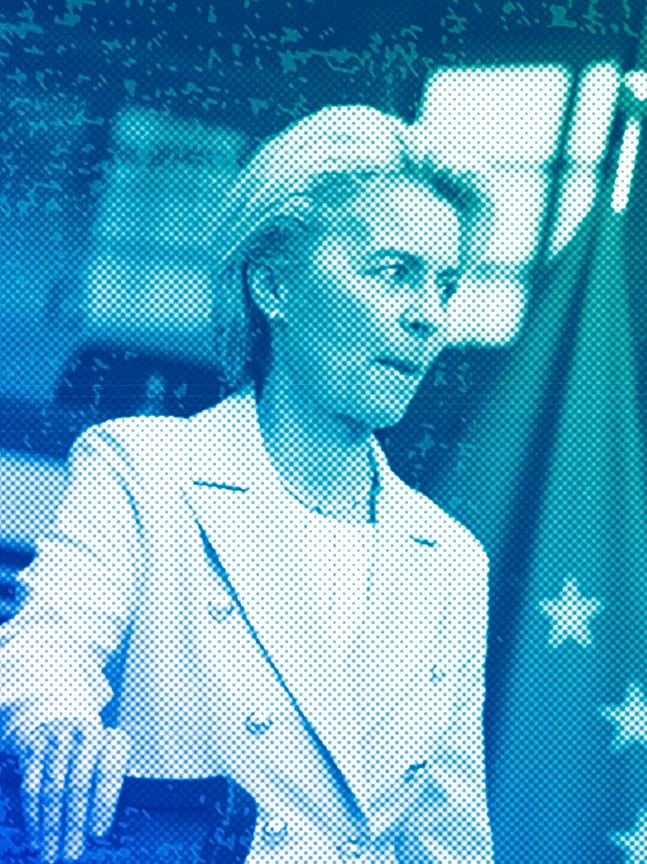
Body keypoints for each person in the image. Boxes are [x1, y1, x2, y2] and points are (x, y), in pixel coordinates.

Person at [0, 105, 496, 863]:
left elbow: (448, 838)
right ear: (273, 286)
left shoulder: (452, 561)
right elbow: (45, 647)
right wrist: (54, 722)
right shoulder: (145, 471)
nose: (429, 316)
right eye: (394, 272)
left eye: (446, 286)